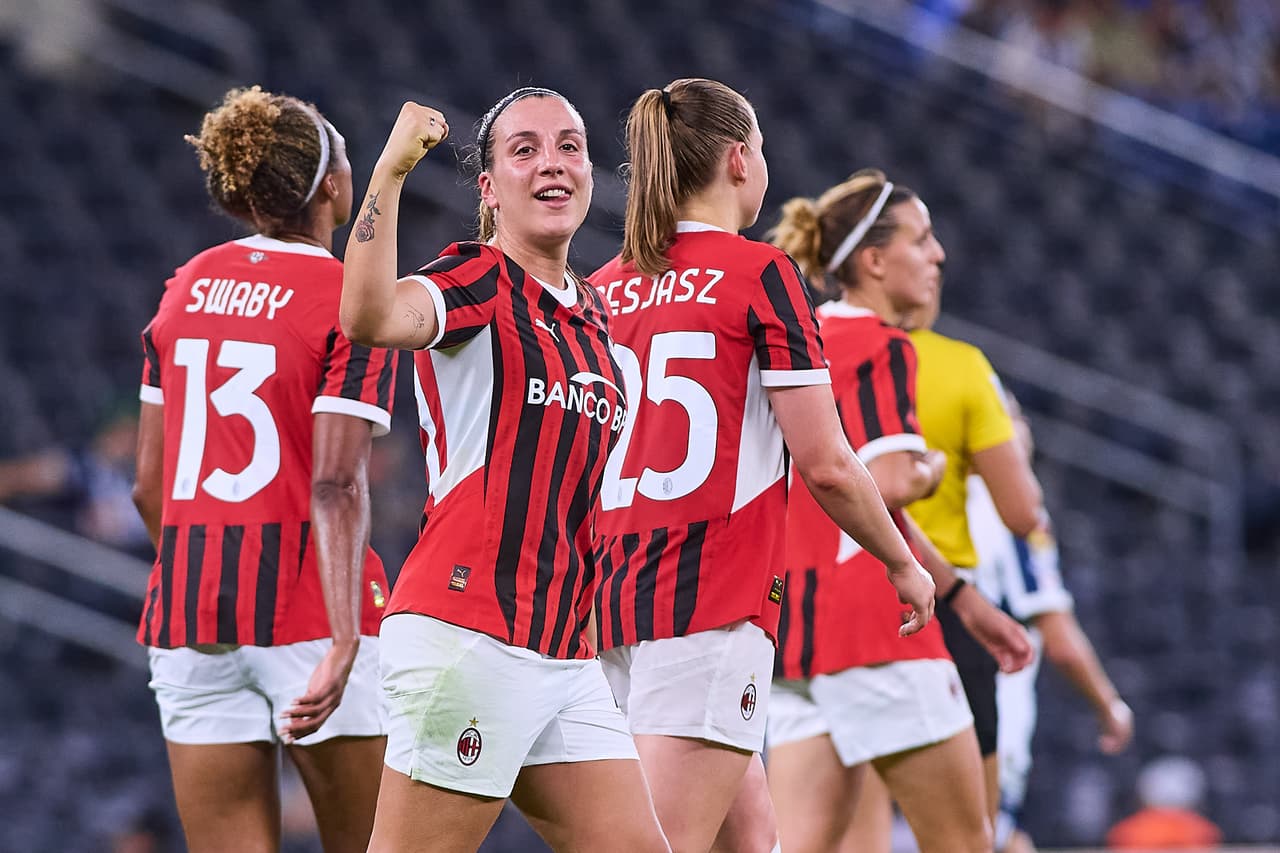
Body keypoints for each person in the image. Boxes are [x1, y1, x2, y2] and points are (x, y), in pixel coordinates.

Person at [588, 80, 937, 853]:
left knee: (752, 838)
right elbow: (830, 464)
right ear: (740, 160)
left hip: (607, 604)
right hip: (703, 602)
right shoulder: (760, 274)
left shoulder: (601, 289)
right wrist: (902, 561)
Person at [339, 89, 669, 853]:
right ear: (488, 189)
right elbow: (369, 317)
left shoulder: (598, 325)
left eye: (569, 146)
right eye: (523, 150)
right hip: (471, 636)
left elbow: (578, 513)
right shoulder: (479, 280)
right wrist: (390, 170)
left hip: (560, 653)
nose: (551, 163)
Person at [131, 86, 395, 853]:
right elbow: (337, 481)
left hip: (189, 612)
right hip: (311, 608)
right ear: (333, 185)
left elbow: (149, 485)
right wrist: (344, 634)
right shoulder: (348, 294)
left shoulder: (186, 287)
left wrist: (202, 569)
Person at [765, 169, 1032, 853]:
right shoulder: (883, 345)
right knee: (968, 841)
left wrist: (966, 600)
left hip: (794, 636)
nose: (938, 254)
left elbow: (853, 508)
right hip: (881, 629)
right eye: (922, 238)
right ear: (874, 261)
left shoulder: (800, 338)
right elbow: (881, 485)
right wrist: (929, 468)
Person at [971, 391, 1133, 853]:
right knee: (992, 838)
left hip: (909, 694)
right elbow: (1058, 636)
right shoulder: (1018, 510)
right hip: (990, 709)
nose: (1023, 428)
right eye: (1010, 417)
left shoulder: (921, 498)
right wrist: (1109, 706)